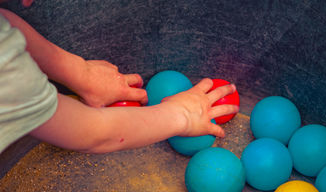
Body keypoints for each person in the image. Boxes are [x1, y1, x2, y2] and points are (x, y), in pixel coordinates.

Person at [0, 2, 239, 154]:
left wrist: (77, 71)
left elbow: (5, 20)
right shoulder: (8, 77)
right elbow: (92, 132)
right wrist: (181, 115)